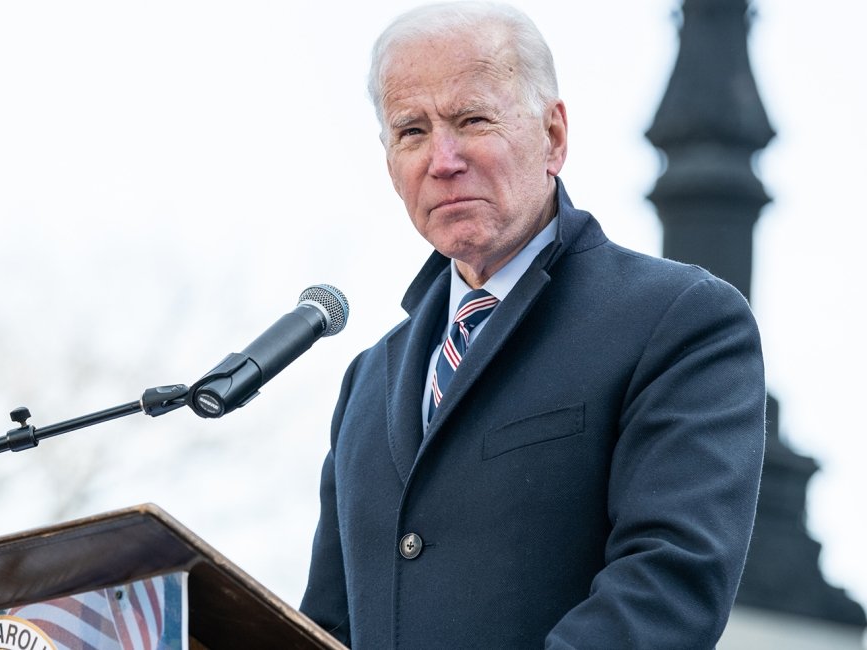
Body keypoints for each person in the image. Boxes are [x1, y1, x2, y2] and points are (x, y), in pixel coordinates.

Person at [299, 2, 765, 647]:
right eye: (411, 131)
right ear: (388, 162)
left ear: (553, 136)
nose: (443, 159)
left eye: (473, 119)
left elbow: (668, 585)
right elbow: (328, 623)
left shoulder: (677, 320)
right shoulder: (368, 380)